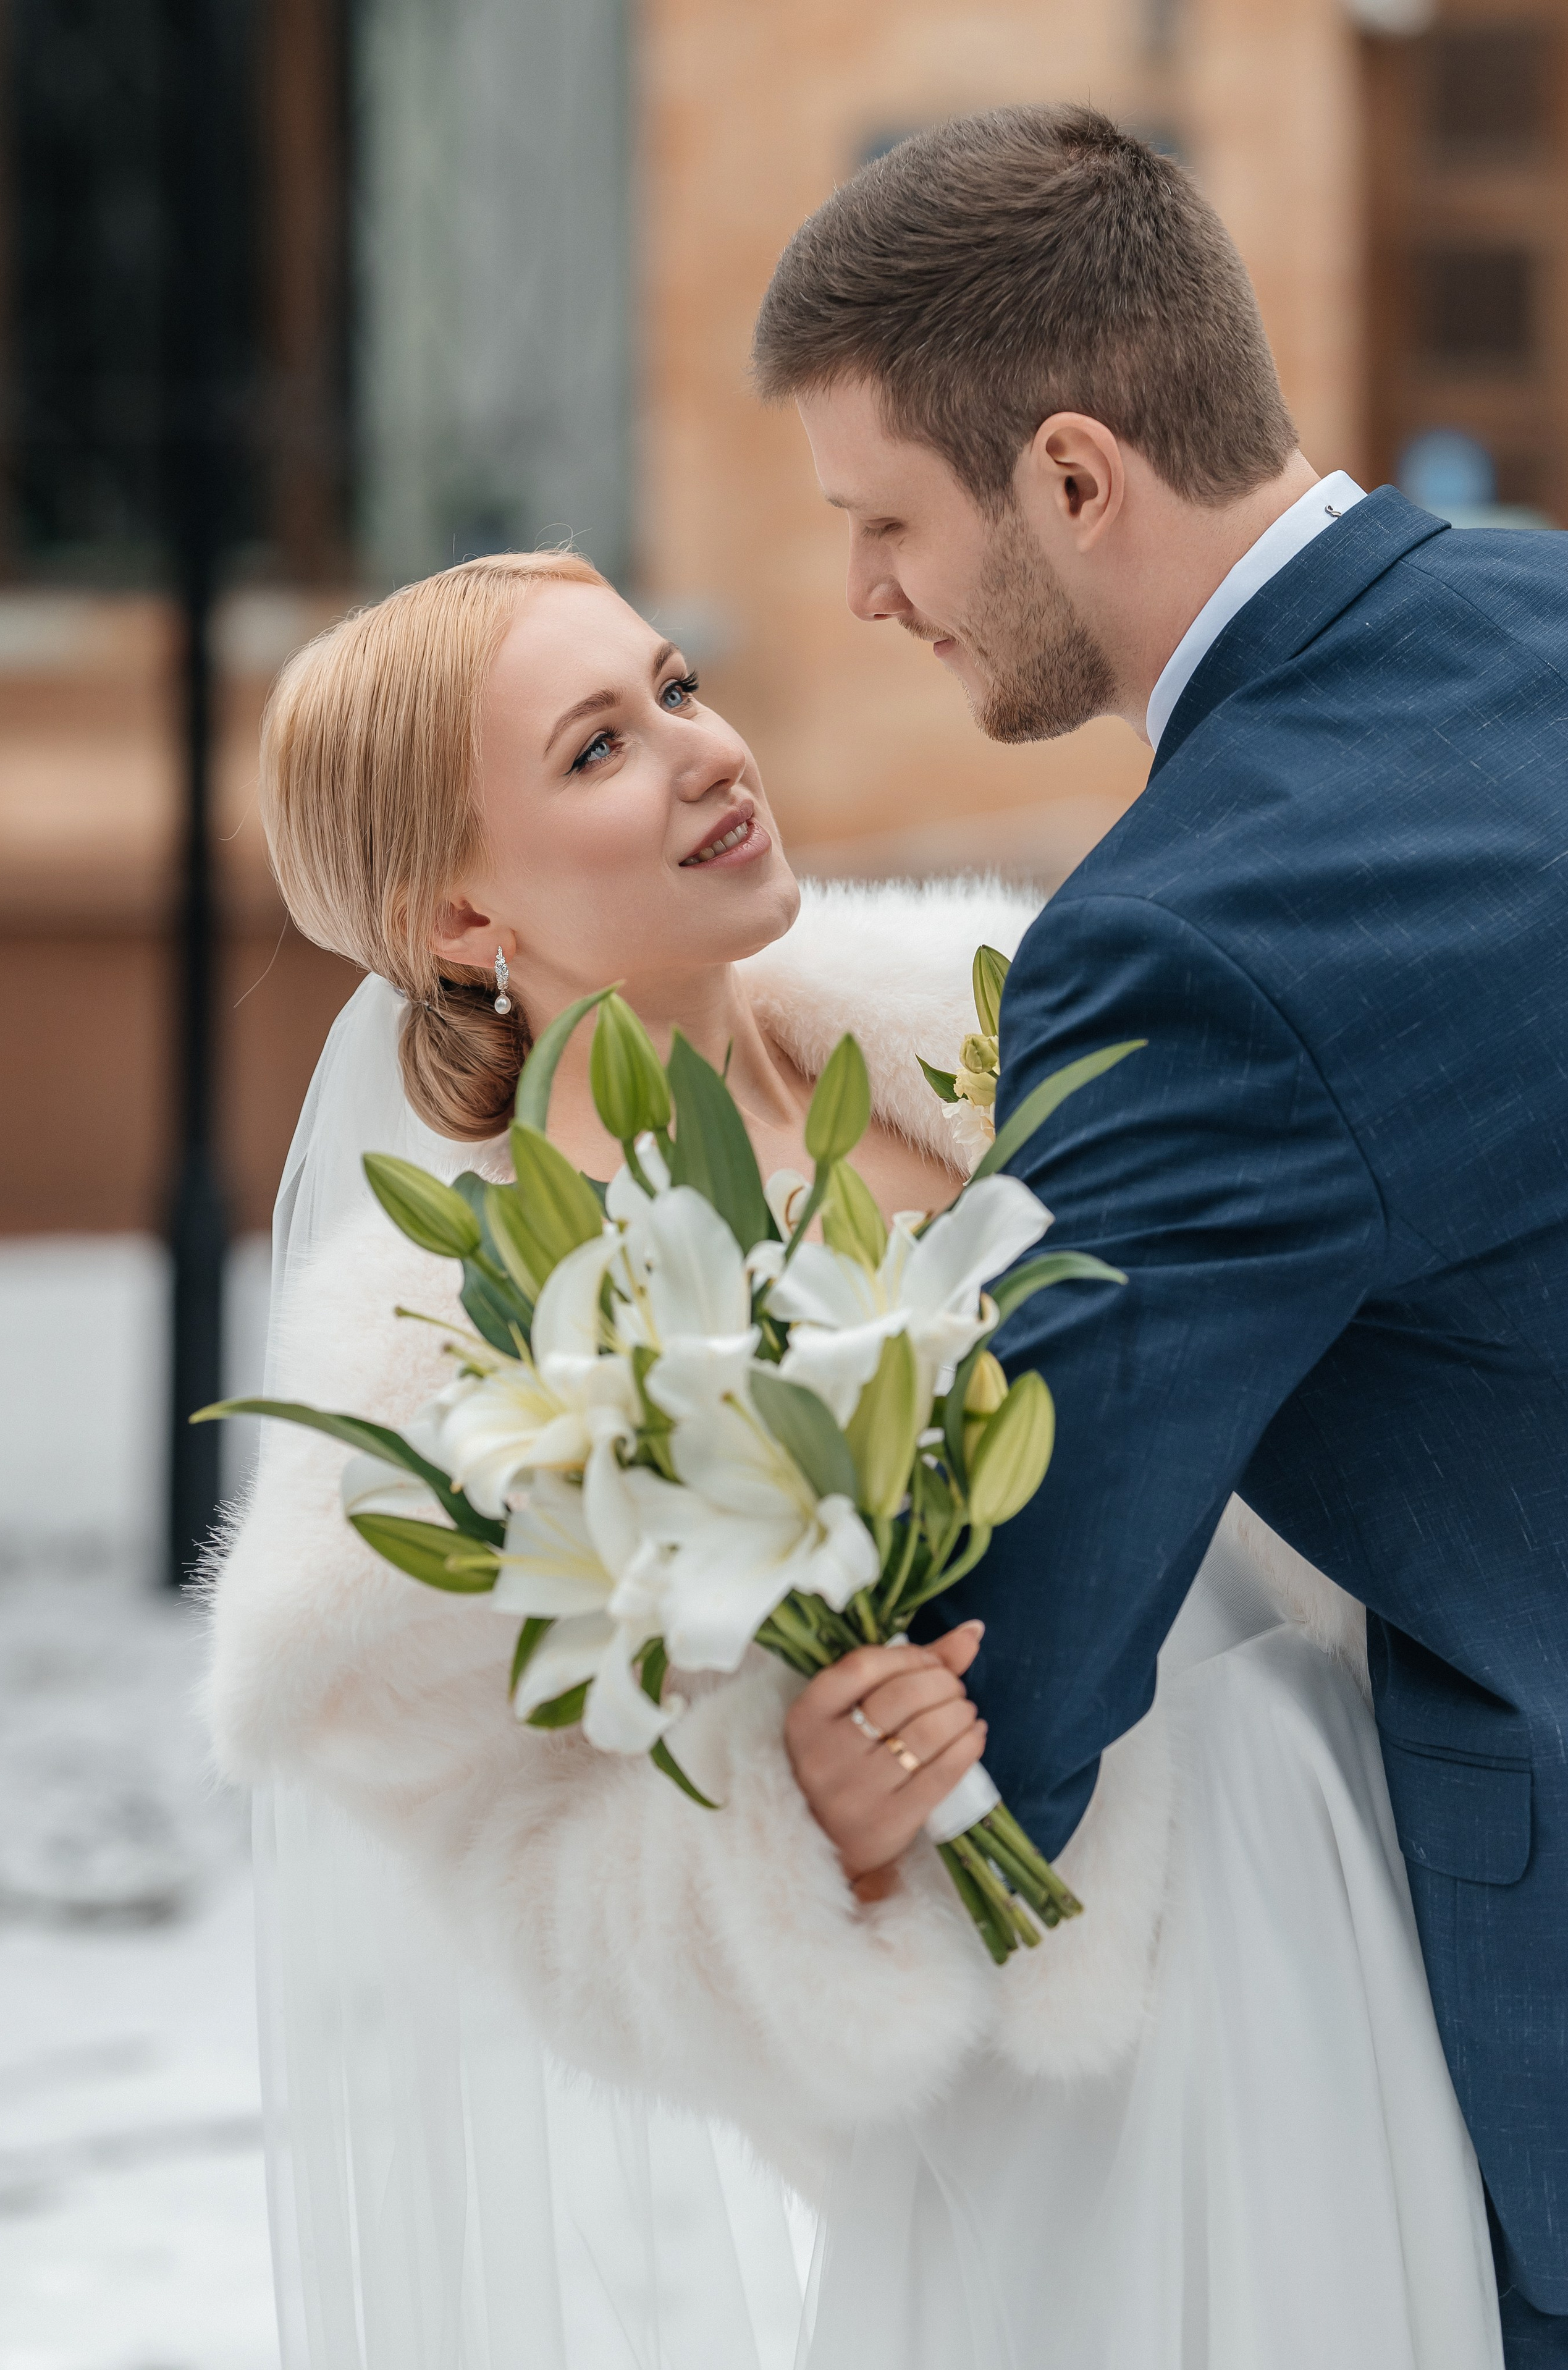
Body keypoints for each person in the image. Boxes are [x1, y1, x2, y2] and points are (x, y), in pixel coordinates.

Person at [211, 548, 1499, 2366]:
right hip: (1067, 2048)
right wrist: (808, 1831)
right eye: (597, 749)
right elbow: (526, 1869)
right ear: (455, 922)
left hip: (1347, 1856)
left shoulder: (1006, 1012)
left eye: (673, 685)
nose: (701, 751)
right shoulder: (466, 1346)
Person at [753, 101, 1568, 2366]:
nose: (864, 600)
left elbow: (1030, 1658)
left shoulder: (1195, 945)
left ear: (1078, 477)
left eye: (889, 520)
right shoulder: (1545, 606)